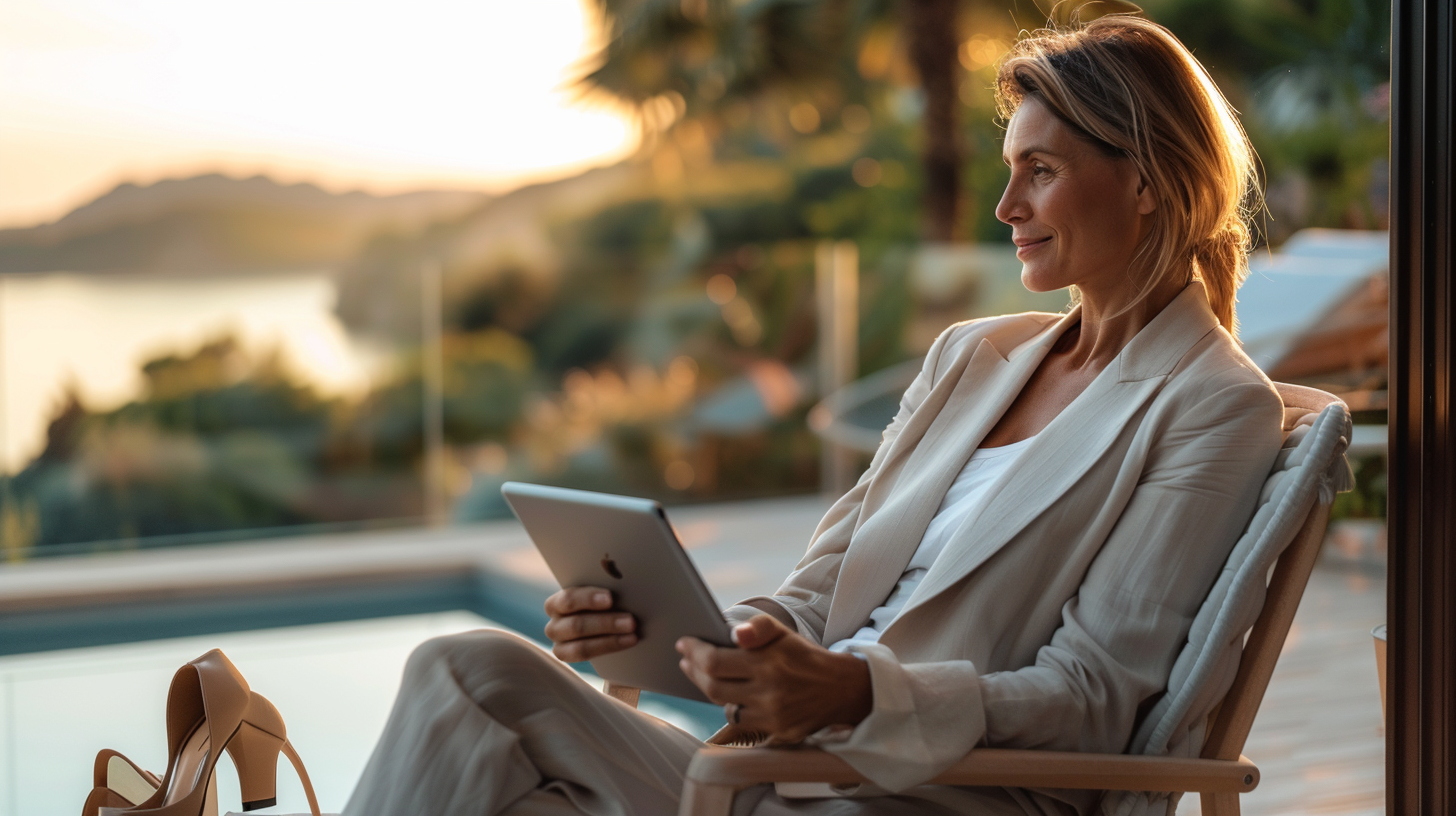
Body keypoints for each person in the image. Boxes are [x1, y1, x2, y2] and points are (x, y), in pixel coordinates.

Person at [344, 15, 1284, 816]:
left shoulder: (1211, 404)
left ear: (1148, 182)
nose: (1005, 206)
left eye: (1039, 170)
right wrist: (703, 643)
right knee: (479, 701)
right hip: (789, 767)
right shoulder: (977, 356)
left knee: (476, 694)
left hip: (927, 794)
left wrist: (852, 689)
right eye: (1009, 169)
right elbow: (822, 585)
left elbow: (1092, 698)